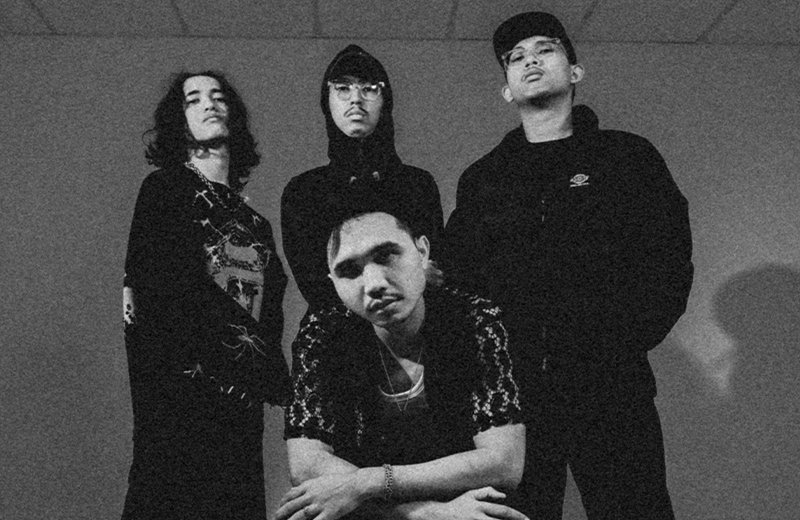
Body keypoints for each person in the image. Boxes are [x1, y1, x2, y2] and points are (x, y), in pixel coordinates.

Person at [442, 12, 694, 520]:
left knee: (634, 510)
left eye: (546, 48)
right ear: (506, 89)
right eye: (516, 57)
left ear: (575, 71)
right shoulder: (485, 179)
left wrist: (619, 341)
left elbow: (668, 258)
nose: (530, 60)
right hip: (515, 398)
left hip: (611, 386)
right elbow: (459, 279)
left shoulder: (626, 158)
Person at [279, 202, 528, 520]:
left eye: (386, 256)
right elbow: (306, 465)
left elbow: (504, 463)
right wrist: (429, 515)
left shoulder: (473, 319)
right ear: (333, 283)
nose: (374, 284)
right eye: (349, 271)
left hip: (464, 503)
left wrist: (367, 482)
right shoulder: (324, 332)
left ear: (422, 252)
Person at [121, 71, 290, 519]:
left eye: (218, 97)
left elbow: (271, 311)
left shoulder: (256, 224)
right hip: (179, 402)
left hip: (241, 408)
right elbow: (162, 291)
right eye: (193, 99)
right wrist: (262, 362)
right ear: (178, 121)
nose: (209, 104)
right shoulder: (165, 189)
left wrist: (264, 372)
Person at [281, 44, 443, 309]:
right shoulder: (304, 192)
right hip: (334, 332)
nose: (355, 99)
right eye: (343, 88)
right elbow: (317, 287)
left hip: (413, 328)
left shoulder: (417, 185)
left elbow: (432, 275)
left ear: (385, 100)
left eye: (369, 88)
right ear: (327, 101)